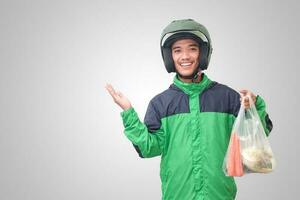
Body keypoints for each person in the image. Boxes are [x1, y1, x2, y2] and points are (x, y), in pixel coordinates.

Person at [106, 19, 273, 200]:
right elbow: (148, 149)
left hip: (219, 195)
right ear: (169, 57)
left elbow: (256, 139)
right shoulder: (160, 104)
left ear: (203, 53)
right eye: (177, 50)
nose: (185, 56)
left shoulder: (227, 98)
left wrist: (254, 107)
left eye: (192, 48)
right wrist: (128, 112)